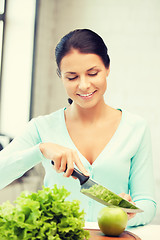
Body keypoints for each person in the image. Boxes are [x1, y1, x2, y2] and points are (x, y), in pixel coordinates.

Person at [0, 29, 156, 227]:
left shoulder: (136, 128)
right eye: (72, 77)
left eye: (93, 73)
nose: (84, 85)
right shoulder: (41, 127)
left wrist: (130, 213)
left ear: (107, 68)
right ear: (61, 77)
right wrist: (40, 150)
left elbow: (147, 204)